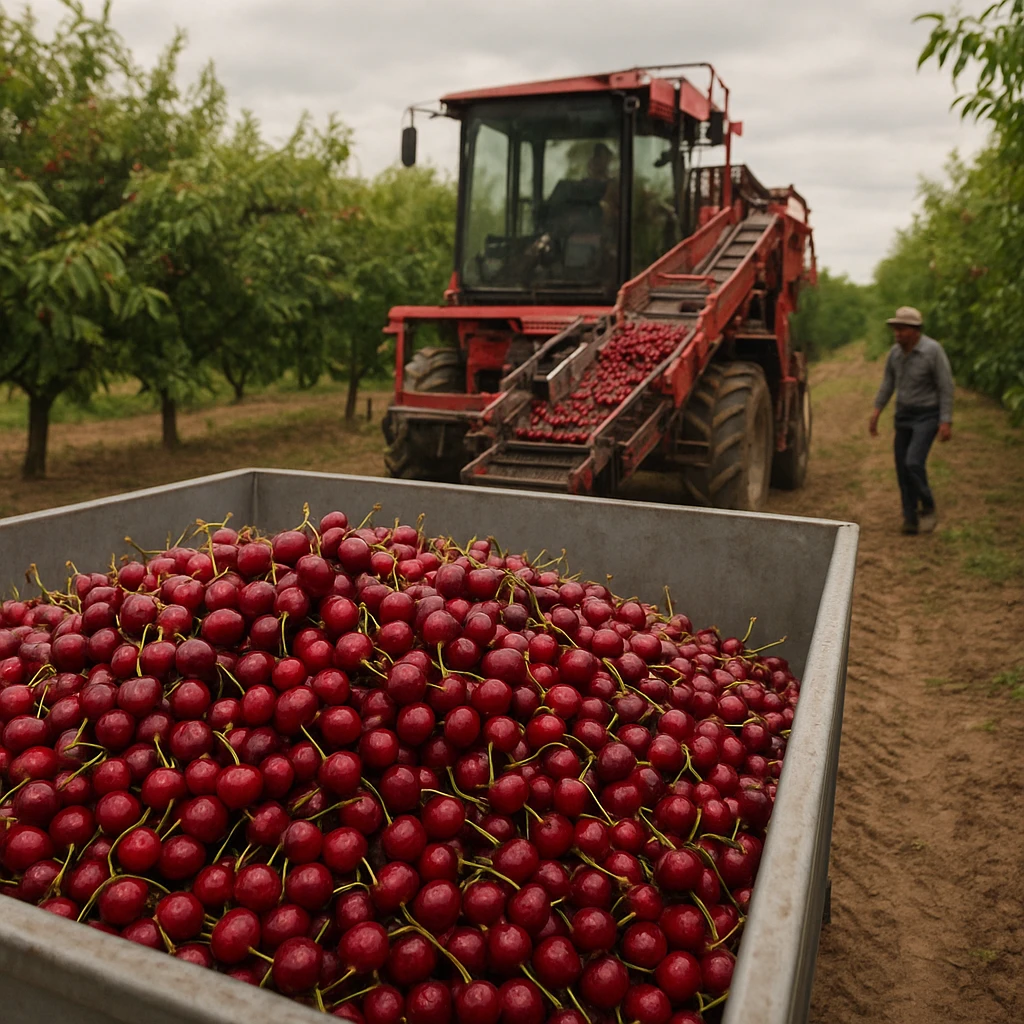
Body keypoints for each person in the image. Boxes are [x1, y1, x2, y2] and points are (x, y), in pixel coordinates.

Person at [869, 306, 954, 535]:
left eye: (902, 329)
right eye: (895, 329)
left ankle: (927, 505)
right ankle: (910, 517)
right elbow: (888, 383)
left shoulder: (933, 351)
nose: (897, 334)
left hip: (927, 415)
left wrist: (945, 421)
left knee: (913, 462)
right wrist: (877, 411)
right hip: (903, 416)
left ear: (916, 331)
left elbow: (946, 386)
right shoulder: (895, 354)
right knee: (901, 469)